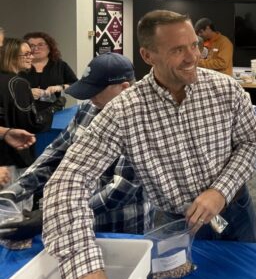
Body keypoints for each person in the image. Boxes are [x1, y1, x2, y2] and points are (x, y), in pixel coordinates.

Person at [43, 10, 256, 279]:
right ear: (148, 55)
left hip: (235, 213)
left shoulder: (226, 91)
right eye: (177, 50)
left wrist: (220, 190)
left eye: (194, 45)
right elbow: (68, 180)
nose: (193, 58)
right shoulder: (124, 110)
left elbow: (249, 144)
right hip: (175, 223)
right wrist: (84, 268)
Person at [0, 53, 151, 241]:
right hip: (76, 221)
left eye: (96, 91)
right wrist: (17, 189)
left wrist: (54, 216)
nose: (90, 97)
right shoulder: (89, 108)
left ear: (124, 88)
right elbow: (57, 152)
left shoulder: (144, 123)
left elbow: (120, 189)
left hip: (116, 227)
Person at [0, 38, 53, 170]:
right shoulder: (19, 83)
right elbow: (32, 123)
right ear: (11, 56)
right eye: (27, 54)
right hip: (13, 158)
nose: (31, 57)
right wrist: (52, 110)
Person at [22, 31, 77, 113]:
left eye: (40, 44)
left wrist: (60, 87)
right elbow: (8, 89)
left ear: (50, 47)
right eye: (31, 46)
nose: (36, 48)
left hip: (53, 113)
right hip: (24, 113)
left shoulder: (60, 65)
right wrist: (26, 93)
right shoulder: (20, 66)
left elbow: (75, 84)